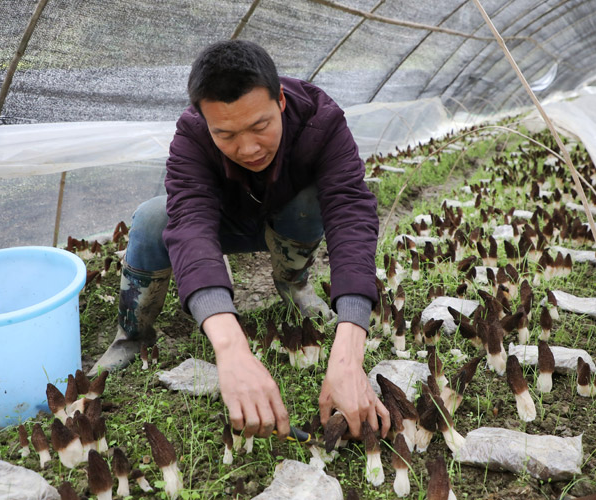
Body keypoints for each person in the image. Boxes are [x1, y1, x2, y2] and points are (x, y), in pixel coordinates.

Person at [92, 40, 388, 440]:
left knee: (313, 201)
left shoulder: (322, 120)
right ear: (204, 119)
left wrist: (350, 352)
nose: (247, 148)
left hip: (287, 219)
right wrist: (231, 349)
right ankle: (132, 333)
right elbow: (191, 225)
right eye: (226, 134)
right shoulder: (191, 136)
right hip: (225, 224)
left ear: (280, 101)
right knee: (152, 218)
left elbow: (351, 216)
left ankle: (293, 284)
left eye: (260, 126)